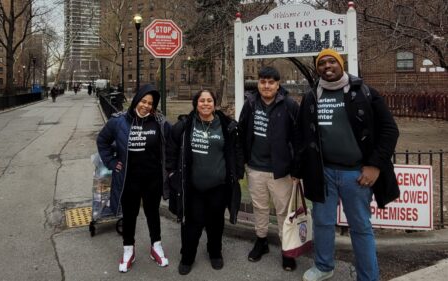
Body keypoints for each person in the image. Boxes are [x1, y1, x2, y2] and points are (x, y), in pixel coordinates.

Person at [292, 49, 399, 281]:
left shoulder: (364, 93)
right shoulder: (312, 96)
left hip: (356, 174)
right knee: (322, 223)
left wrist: (375, 165)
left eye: (332, 61)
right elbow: (302, 136)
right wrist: (298, 170)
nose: (327, 66)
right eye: (322, 63)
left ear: (341, 64)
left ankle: (368, 276)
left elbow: (390, 131)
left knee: (360, 228)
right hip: (323, 173)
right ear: (317, 68)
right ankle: (323, 266)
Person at [166, 90, 243, 275]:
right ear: (196, 103)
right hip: (193, 187)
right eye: (202, 100)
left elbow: (237, 151)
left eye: (209, 100)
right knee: (192, 224)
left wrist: (237, 172)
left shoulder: (227, 126)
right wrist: (172, 174)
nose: (206, 104)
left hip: (219, 186)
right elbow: (172, 150)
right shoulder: (185, 126)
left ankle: (215, 252)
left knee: (216, 222)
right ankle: (187, 256)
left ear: (214, 104)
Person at [96, 84, 172, 273]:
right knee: (129, 215)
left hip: (152, 178)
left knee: (152, 213)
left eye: (150, 103)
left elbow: (175, 137)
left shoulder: (159, 122)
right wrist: (112, 163)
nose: (146, 106)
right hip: (129, 179)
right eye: (143, 101)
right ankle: (128, 249)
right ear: (136, 100)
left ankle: (156, 246)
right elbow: (102, 141)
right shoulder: (119, 121)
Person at [237, 66, 299, 271]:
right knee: (260, 207)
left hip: (281, 170)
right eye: (263, 82)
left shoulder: (289, 105)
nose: (266, 86)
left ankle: (287, 249)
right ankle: (261, 241)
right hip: (255, 167)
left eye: (271, 82)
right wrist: (244, 160)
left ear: (278, 84)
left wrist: (296, 167)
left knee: (283, 211)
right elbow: (242, 130)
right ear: (258, 83)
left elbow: (298, 139)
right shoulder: (251, 103)